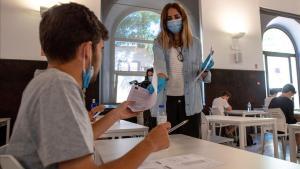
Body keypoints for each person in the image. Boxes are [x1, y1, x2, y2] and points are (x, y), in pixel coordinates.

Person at [5, 3, 170, 169]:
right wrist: (150, 144)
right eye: (100, 49)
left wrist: (116, 114)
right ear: (86, 51)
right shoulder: (59, 86)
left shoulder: (44, 82)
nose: (100, 56)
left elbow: (77, 141)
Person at [148, 3, 213, 138]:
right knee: (165, 147)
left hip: (190, 103)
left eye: (176, 16)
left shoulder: (195, 43)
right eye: (169, 18)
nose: (173, 21)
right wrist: (160, 76)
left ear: (183, 18)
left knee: (192, 147)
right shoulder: (159, 42)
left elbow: (199, 73)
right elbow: (159, 63)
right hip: (166, 103)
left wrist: (205, 70)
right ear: (164, 22)